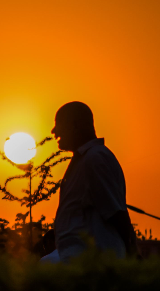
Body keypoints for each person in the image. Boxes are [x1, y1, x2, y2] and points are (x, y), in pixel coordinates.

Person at [41, 102, 136, 263]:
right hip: (81, 259)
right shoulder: (85, 159)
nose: (54, 131)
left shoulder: (94, 159)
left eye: (59, 124)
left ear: (75, 126)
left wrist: (133, 253)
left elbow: (116, 213)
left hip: (92, 261)